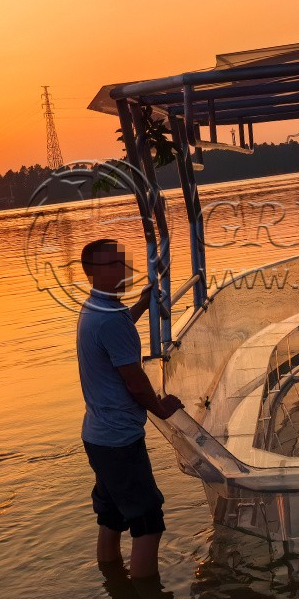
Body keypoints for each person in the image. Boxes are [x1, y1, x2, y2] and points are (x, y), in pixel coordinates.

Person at [77, 238, 184, 578]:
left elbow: (121, 329)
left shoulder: (100, 310)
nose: (121, 270)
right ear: (91, 273)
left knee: (112, 516)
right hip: (118, 439)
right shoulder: (108, 319)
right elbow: (136, 381)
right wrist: (161, 408)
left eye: (122, 262)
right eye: (111, 265)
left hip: (98, 435)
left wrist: (141, 304)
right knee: (148, 523)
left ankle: (114, 585)